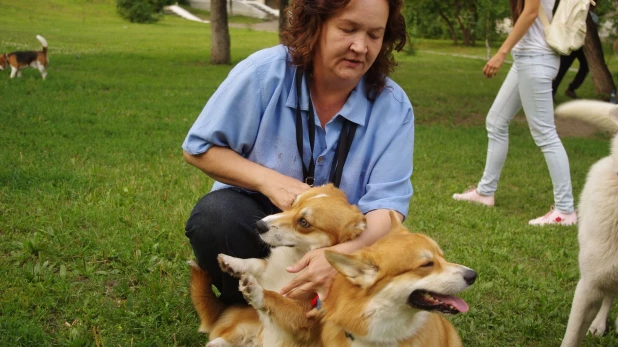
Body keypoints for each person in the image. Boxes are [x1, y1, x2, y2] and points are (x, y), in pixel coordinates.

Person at [182, 0, 413, 306]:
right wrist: (268, 180)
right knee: (216, 219)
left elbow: (387, 208)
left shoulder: (394, 107)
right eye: (348, 29)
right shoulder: (264, 74)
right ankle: (249, 309)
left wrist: (338, 257)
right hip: (257, 221)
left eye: (374, 34)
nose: (360, 46)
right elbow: (199, 149)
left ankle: (313, 313)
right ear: (315, 25)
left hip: (342, 238)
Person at [452, 0, 577, 226]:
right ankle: (485, 192)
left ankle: (565, 211)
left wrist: (501, 53)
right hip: (525, 59)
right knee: (496, 121)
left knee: (545, 134)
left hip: (536, 59)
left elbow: (530, 13)